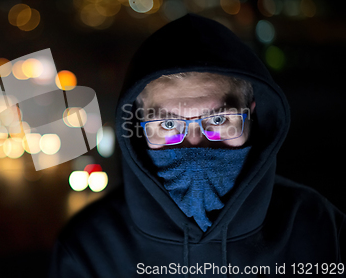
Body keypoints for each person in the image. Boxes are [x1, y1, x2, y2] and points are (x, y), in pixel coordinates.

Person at [48, 14, 345, 277]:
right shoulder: (89, 248)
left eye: (217, 120)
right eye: (167, 125)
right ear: (138, 128)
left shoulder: (318, 226)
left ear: (251, 115)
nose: (194, 143)